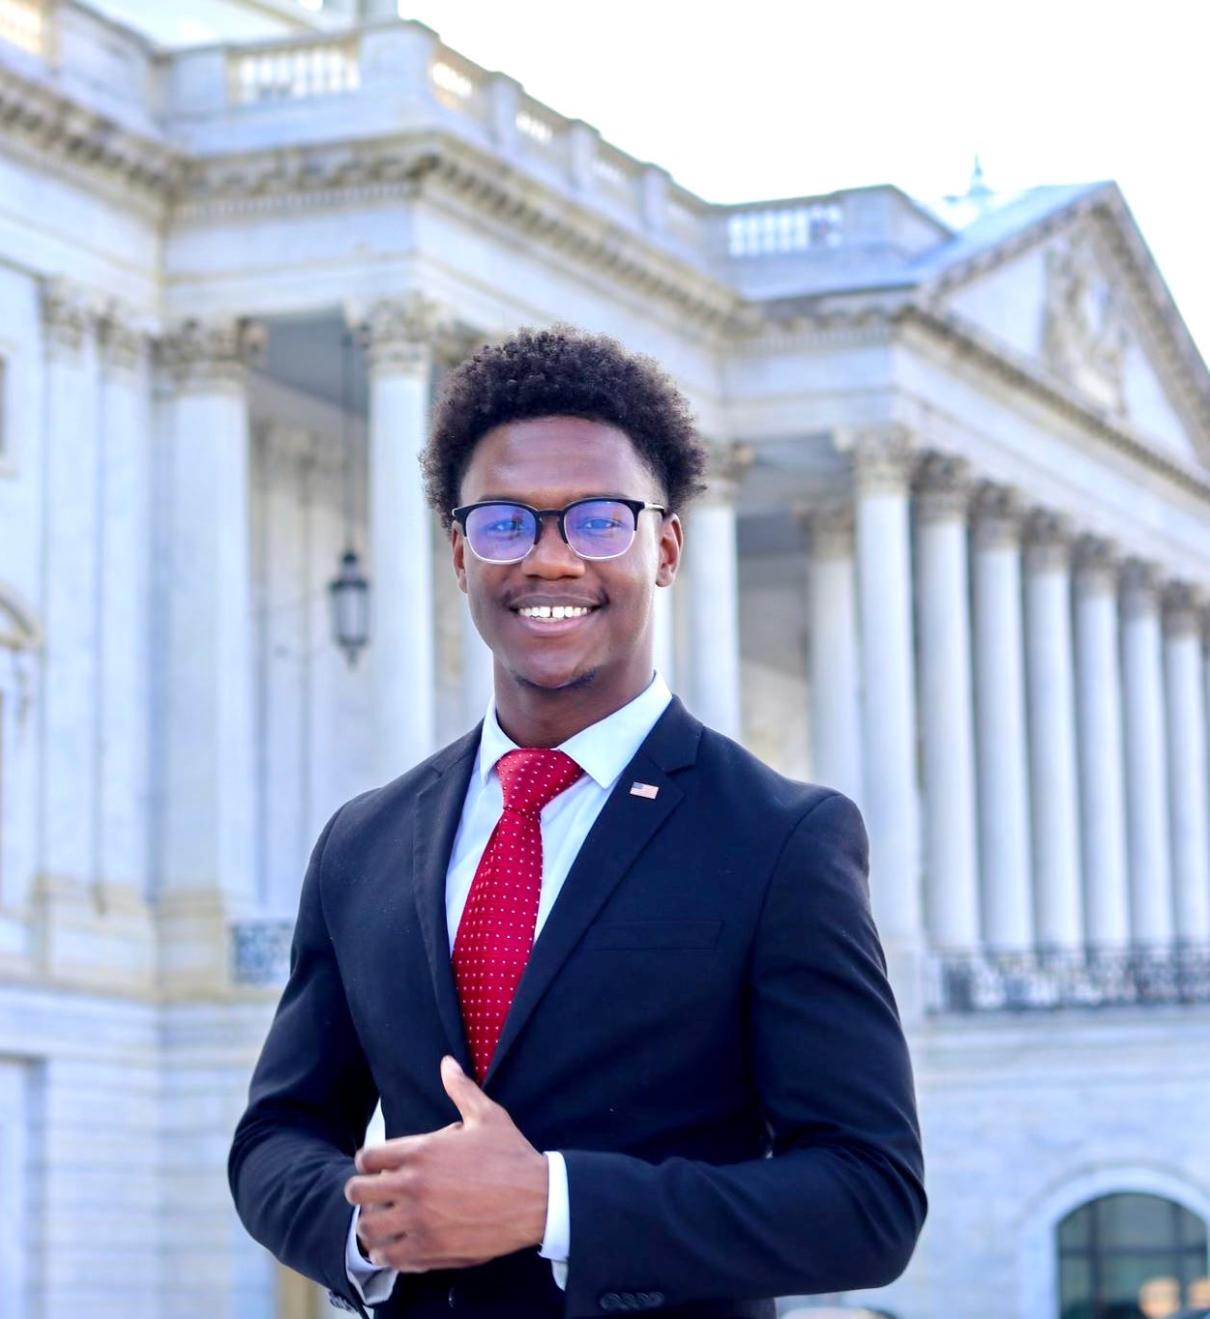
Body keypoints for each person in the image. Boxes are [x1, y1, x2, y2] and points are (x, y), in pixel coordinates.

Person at [228, 326, 926, 1319]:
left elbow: (871, 1197)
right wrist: (367, 1224)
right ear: (461, 550)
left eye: (598, 522)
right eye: (508, 523)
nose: (551, 560)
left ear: (666, 546)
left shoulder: (780, 837)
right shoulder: (364, 840)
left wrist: (552, 1202)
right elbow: (278, 1133)